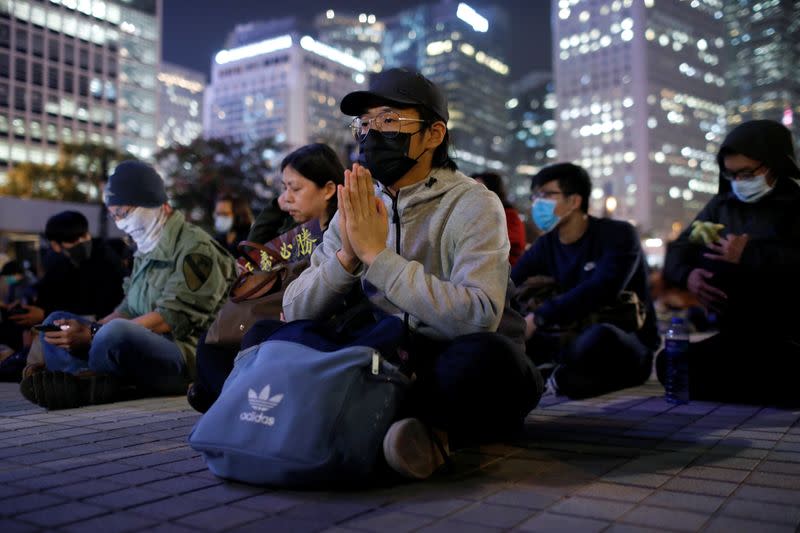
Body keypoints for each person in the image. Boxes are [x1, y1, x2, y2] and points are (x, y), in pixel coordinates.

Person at [281, 68, 542, 480]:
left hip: (446, 358)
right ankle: (405, 430)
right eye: (364, 124)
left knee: (490, 360)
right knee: (271, 337)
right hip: (383, 357)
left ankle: (418, 431)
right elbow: (294, 308)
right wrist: (348, 257)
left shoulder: (474, 204)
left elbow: (478, 316)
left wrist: (377, 256)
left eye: (388, 121)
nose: (370, 134)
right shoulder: (358, 205)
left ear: (434, 135)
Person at [20, 160, 236, 409]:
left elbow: (171, 318)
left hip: (182, 354)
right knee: (57, 322)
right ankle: (89, 383)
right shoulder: (146, 245)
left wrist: (92, 334)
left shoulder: (196, 248)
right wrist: (87, 328)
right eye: (113, 215)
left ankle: (83, 380)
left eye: (123, 212)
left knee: (114, 332)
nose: (119, 222)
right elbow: (128, 308)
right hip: (138, 343)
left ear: (154, 205)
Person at [188, 143, 344, 413]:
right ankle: (226, 399)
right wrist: (276, 205)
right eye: (284, 188)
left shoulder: (341, 231)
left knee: (254, 336)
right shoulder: (293, 230)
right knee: (214, 335)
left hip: (310, 317)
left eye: (295, 189)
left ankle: (228, 402)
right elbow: (255, 249)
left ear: (329, 189)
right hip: (273, 307)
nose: (288, 197)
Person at [657, 119, 800, 405]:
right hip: (735, 336)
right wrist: (689, 276)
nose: (740, 182)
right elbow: (678, 251)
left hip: (788, 338)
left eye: (748, 172)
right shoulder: (721, 206)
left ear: (775, 164)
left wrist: (750, 255)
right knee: (670, 365)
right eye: (732, 174)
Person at [511, 163, 659, 399]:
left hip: (624, 339)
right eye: (534, 196)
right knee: (511, 341)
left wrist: (539, 317)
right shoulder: (547, 244)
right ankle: (557, 377)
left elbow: (602, 288)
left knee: (598, 337)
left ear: (574, 201)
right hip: (570, 336)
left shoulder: (618, 234)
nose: (538, 203)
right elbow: (511, 279)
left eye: (547, 194)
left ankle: (553, 374)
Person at [473, 172, 527, 265]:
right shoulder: (473, 214)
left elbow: (499, 245)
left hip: (503, 270)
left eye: (479, 188)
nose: (473, 194)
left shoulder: (509, 215)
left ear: (493, 190)